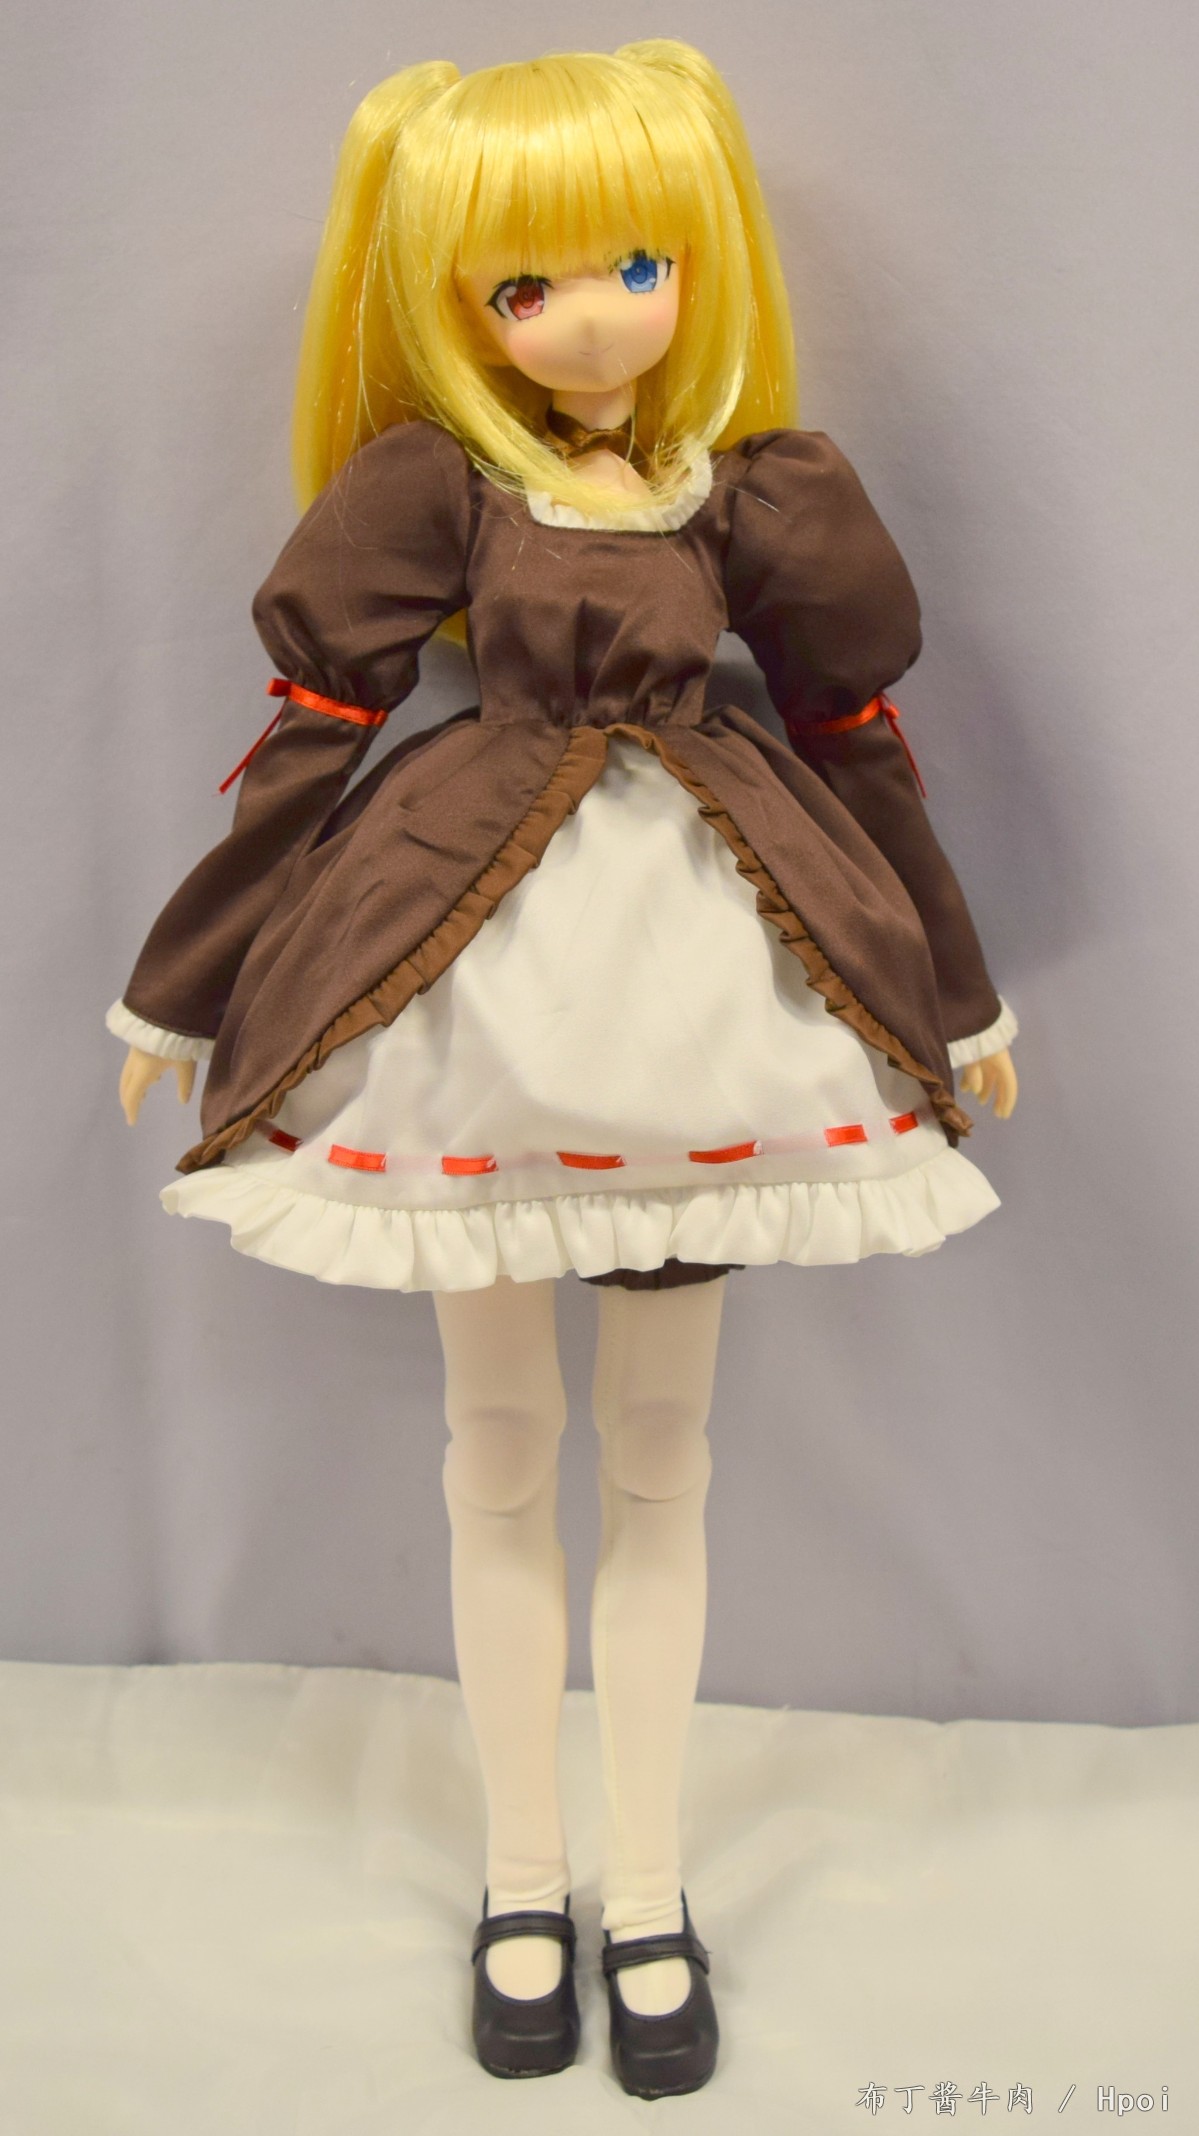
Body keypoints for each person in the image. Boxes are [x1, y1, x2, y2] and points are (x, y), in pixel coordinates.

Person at [108, 42, 1019, 2098]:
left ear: (700, 261)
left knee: (665, 1458)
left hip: (710, 980)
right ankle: (527, 1880)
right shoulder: (441, 487)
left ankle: (649, 1889)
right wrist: (182, 984)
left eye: (637, 264)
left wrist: (957, 995)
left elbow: (858, 740)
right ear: (459, 305)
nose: (597, 318)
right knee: (498, 1446)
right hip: (480, 978)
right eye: (527, 287)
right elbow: (315, 734)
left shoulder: (754, 493)